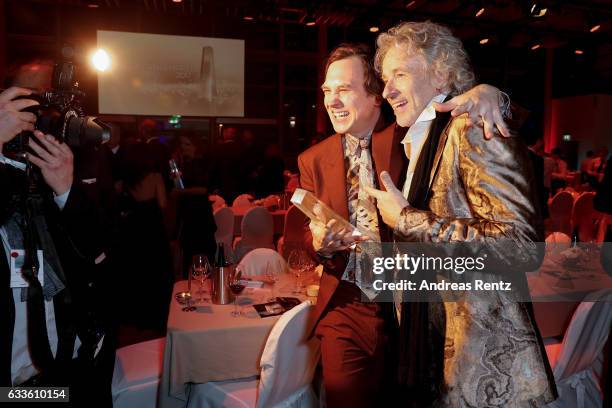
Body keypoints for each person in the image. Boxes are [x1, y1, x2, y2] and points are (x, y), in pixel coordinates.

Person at [297, 43, 511, 407]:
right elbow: (301, 235)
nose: (331, 101)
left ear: (375, 96)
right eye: (327, 92)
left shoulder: (411, 136)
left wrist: (491, 94)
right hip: (345, 305)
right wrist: (318, 240)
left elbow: (453, 108)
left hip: (407, 307)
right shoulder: (312, 160)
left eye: (344, 90)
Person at [365, 21, 556, 406]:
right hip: (436, 357)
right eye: (385, 79)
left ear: (441, 73)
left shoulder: (471, 127)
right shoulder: (421, 141)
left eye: (399, 74)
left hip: (484, 370)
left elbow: (521, 246)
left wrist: (408, 220)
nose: (386, 91)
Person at [1, 87, 113, 404]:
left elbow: (96, 251)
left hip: (65, 370)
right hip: (11, 387)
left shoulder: (36, 183)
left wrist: (64, 187)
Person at [118, 143, 173, 331]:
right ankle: (157, 314)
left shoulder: (127, 179)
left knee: (137, 269)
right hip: (153, 226)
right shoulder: (155, 176)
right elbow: (163, 204)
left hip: (134, 226)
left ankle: (136, 315)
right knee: (157, 269)